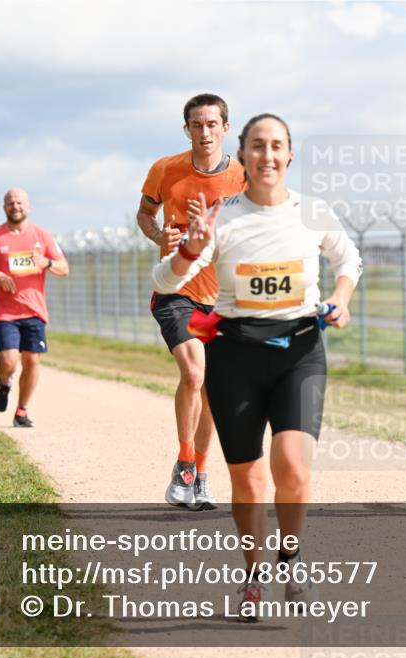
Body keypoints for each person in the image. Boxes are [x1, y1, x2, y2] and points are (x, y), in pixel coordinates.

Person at [154, 113, 361, 619]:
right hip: (236, 354)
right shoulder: (221, 216)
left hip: (299, 350)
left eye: (277, 146)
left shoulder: (312, 212)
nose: (268, 156)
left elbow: (348, 258)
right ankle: (254, 577)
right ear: (242, 155)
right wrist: (192, 250)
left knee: (291, 466)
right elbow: (165, 280)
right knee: (247, 482)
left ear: (290, 155)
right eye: (257, 146)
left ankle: (290, 556)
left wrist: (340, 297)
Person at [138, 93, 245, 510]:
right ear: (187, 129)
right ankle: (183, 465)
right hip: (175, 291)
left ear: (225, 128)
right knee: (194, 372)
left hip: (221, 300)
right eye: (197, 125)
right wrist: (157, 235)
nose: (205, 132)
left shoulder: (242, 177)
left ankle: (200, 474)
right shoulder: (165, 170)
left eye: (212, 125)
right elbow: (145, 215)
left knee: (212, 390)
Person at [0, 188, 69, 427]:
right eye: (10, 203)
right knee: (9, 362)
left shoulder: (42, 235)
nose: (15, 206)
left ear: (28, 206)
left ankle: (21, 411)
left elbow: (64, 267)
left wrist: (47, 262)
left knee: (32, 361)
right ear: (4, 207)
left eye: (19, 202)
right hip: (4, 311)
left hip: (34, 310)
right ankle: (5, 381)